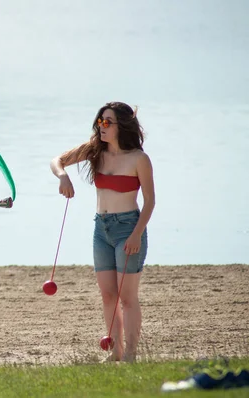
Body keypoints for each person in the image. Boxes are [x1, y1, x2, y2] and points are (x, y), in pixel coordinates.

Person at [50, 102, 155, 362]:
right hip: (101, 229)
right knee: (108, 295)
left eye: (107, 122)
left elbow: (151, 201)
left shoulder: (139, 159)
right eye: (100, 121)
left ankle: (130, 353)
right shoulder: (95, 150)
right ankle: (116, 352)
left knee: (127, 297)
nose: (101, 127)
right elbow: (57, 161)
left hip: (129, 229)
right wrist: (63, 176)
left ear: (122, 125)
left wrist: (135, 235)